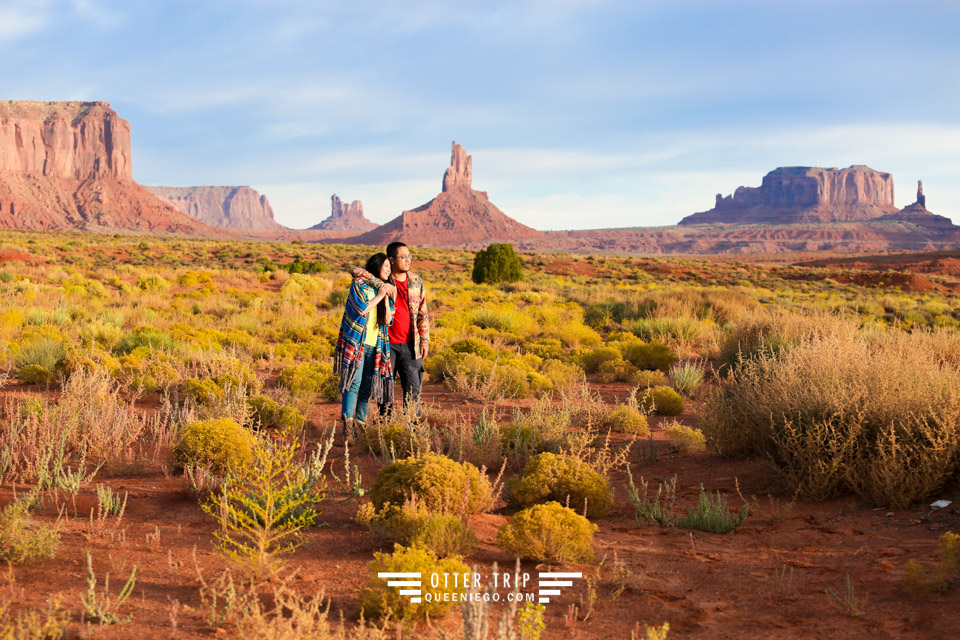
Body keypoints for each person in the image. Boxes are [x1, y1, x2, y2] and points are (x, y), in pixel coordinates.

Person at [352, 241, 429, 415]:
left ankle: (412, 430)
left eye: (409, 256)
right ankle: (385, 428)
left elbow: (423, 313)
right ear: (392, 260)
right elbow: (356, 271)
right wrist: (379, 284)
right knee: (385, 391)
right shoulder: (382, 279)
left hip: (412, 345)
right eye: (403, 257)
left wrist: (424, 340)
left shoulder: (416, 281)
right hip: (387, 345)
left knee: (414, 393)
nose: (408, 260)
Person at [333, 252, 394, 440]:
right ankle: (348, 424)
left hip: (376, 345)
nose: (389, 270)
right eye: (386, 267)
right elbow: (361, 310)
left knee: (367, 387)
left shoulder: (383, 289)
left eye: (390, 268)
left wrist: (385, 297)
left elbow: (388, 320)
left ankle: (360, 424)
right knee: (353, 383)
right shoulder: (360, 285)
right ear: (376, 266)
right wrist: (380, 294)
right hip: (357, 342)